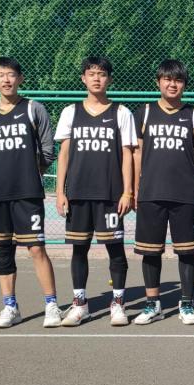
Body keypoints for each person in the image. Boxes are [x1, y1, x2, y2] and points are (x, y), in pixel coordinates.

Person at [0, 57, 62, 329]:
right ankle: (10, 307)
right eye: (0, 75)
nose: (6, 80)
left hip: (27, 193)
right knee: (4, 250)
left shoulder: (33, 109)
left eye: (11, 74)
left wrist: (29, 173)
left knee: (36, 248)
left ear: (20, 78)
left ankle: (51, 305)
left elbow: (47, 151)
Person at [54, 57, 138, 327]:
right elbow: (64, 154)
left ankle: (118, 303)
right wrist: (60, 191)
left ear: (109, 79)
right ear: (83, 78)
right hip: (78, 194)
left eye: (102, 74)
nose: (97, 78)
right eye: (91, 74)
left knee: (115, 249)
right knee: (79, 249)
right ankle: (80, 304)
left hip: (110, 194)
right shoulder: (71, 112)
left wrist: (127, 192)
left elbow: (128, 155)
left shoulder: (121, 112)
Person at [132, 60, 194, 326]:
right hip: (151, 193)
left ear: (184, 85)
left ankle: (186, 303)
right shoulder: (144, 112)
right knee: (150, 251)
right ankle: (152, 303)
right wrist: (134, 188)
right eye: (167, 79)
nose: (172, 84)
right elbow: (137, 153)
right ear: (158, 82)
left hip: (184, 194)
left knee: (187, 251)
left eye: (178, 80)